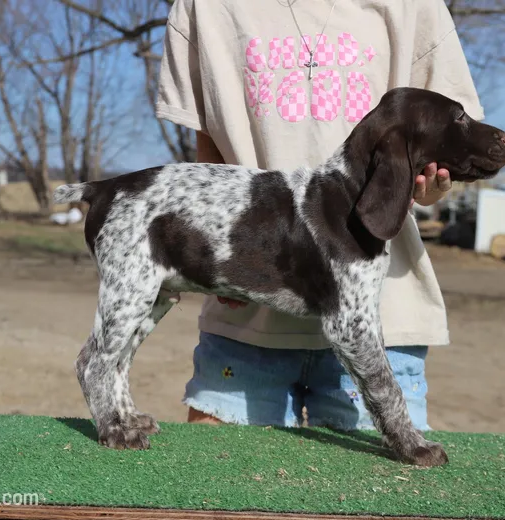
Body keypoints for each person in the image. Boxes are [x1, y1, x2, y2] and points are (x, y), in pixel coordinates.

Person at [154, 0, 484, 432]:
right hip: (246, 325)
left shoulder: (413, 5)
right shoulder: (204, 7)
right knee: (221, 496)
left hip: (383, 322)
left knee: (386, 495)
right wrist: (211, 255)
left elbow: (444, 146)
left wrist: (433, 185)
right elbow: (209, 154)